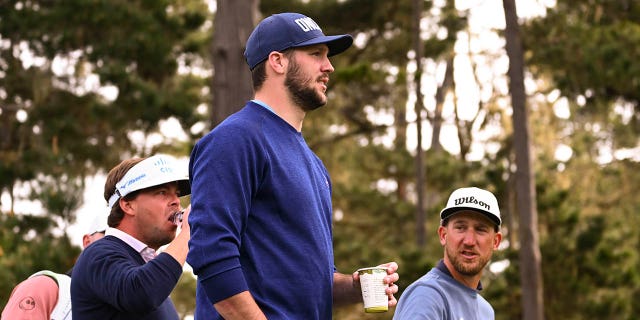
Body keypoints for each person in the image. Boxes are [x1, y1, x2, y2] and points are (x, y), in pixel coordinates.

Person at [188, 12, 399, 320]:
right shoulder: (234, 140)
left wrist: (353, 287)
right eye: (316, 54)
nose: (329, 67)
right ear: (277, 61)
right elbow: (211, 255)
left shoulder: (314, 165)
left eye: (327, 56)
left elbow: (313, 283)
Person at [70, 154, 191, 320]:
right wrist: (188, 233)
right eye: (162, 192)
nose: (176, 201)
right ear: (128, 205)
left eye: (176, 193)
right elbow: (141, 294)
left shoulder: (149, 267)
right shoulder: (97, 254)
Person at [393, 187, 503, 319]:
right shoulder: (427, 296)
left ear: (496, 241)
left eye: (480, 229)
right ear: (443, 235)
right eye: (460, 228)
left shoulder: (486, 311)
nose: (469, 241)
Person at [1, 212, 107, 320]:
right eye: (109, 236)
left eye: (124, 239)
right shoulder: (44, 287)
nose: (117, 244)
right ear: (87, 242)